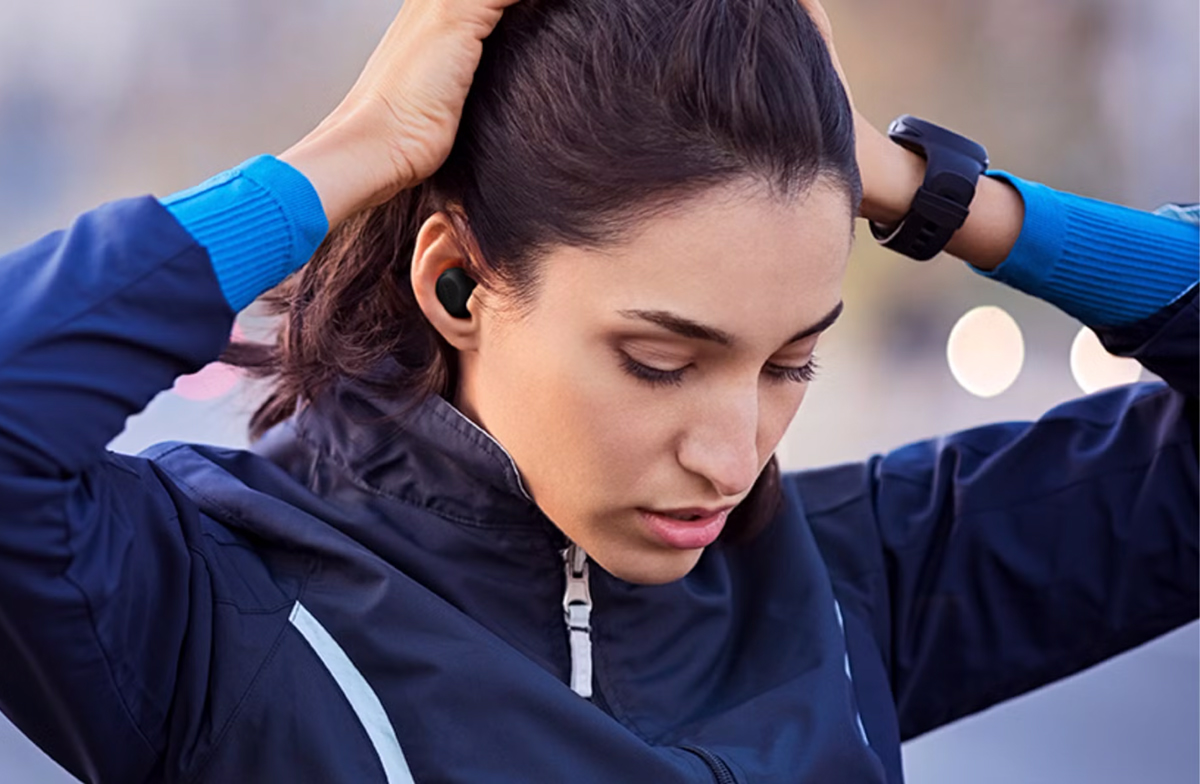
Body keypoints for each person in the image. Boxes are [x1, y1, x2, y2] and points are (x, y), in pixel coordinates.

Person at [0, 0, 1194, 781]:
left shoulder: (849, 582)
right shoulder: (220, 611)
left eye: (789, 363)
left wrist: (920, 185)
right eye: (660, 362)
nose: (732, 457)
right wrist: (352, 152)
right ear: (460, 282)